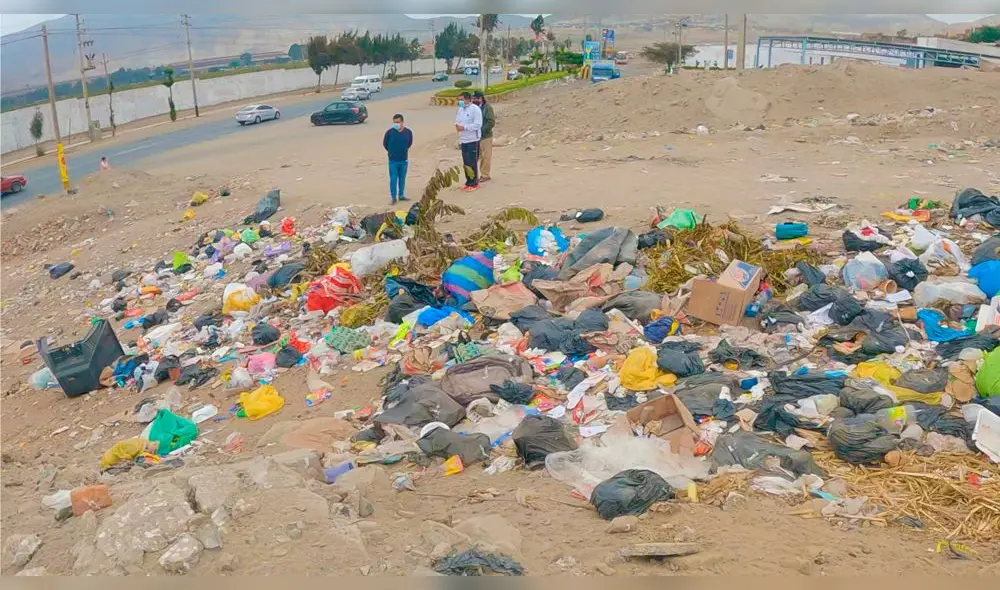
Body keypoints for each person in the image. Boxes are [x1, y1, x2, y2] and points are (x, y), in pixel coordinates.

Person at [382, 113, 413, 205]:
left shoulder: (408, 132)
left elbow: (409, 143)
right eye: (394, 122)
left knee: (402, 178)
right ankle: (393, 197)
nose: (396, 124)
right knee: (393, 179)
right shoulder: (390, 132)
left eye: (398, 122)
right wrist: (391, 152)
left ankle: (401, 195)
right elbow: (385, 144)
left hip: (404, 160)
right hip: (393, 160)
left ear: (402, 122)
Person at [454, 91, 482, 191]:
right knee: (466, 162)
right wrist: (457, 126)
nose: (460, 102)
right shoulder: (460, 109)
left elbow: (478, 124)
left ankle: (475, 183)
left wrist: (464, 127)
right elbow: (457, 121)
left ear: (468, 99)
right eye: (459, 100)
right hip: (463, 140)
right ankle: (468, 182)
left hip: (473, 140)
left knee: (472, 162)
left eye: (461, 99)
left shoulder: (475, 109)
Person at [473, 91, 495, 182]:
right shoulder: (475, 108)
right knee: (479, 157)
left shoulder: (487, 108)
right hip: (476, 137)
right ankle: (481, 175)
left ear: (480, 98)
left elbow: (491, 122)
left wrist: (481, 131)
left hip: (485, 136)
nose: (473, 100)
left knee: (486, 157)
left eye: (475, 99)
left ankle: (485, 175)